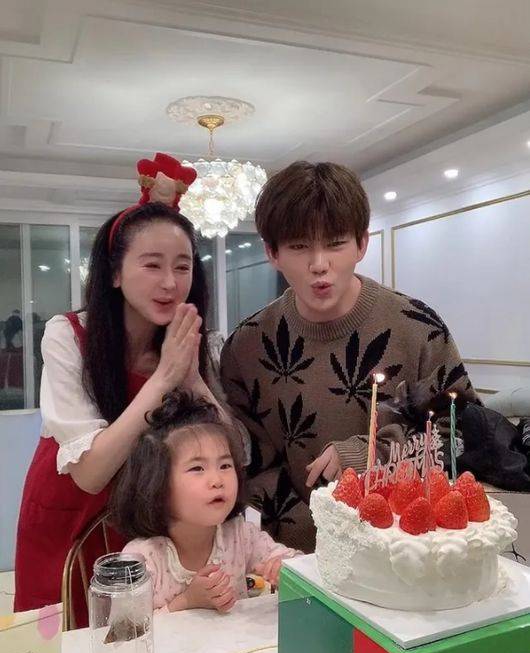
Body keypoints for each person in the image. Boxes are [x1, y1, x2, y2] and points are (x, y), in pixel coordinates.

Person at [14, 154, 245, 625]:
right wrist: (164, 379)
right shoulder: (68, 336)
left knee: (140, 632)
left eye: (183, 267)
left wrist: (191, 378)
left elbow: (234, 450)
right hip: (70, 513)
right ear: (115, 273)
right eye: (152, 265)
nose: (170, 283)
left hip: (146, 523)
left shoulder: (190, 342)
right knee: (65, 635)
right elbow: (90, 474)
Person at [220, 161, 478, 552]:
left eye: (335, 243)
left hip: (406, 551)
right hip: (294, 557)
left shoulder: (417, 328)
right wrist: (315, 536)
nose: (319, 264)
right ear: (272, 252)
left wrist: (370, 454)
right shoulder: (247, 346)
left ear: (361, 244)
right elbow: (248, 462)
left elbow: (460, 435)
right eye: (299, 246)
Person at [111, 391, 300, 613]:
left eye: (225, 466)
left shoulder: (240, 535)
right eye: (197, 468)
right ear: (156, 484)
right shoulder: (142, 559)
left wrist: (285, 570)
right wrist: (187, 601)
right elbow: (125, 629)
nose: (217, 480)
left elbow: (302, 568)